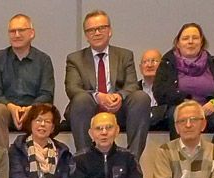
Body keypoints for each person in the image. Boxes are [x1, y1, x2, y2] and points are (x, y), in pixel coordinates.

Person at [64, 10, 151, 157]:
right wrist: (98, 96)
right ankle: (85, 159)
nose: (96, 33)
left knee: (141, 97)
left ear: (110, 31)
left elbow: (132, 85)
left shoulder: (125, 55)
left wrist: (119, 96)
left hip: (119, 110)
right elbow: (72, 88)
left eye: (101, 28)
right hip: (89, 108)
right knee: (80, 98)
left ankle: (132, 160)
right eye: (91, 30)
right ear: (86, 35)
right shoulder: (75, 59)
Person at [153, 23, 214, 154]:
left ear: (202, 42)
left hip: (208, 111)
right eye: (186, 38)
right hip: (181, 109)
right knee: (176, 113)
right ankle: (179, 161)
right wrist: (185, 103)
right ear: (178, 43)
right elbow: (159, 91)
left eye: (195, 38)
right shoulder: (167, 62)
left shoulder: (213, 62)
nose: (191, 42)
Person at [0, 13, 54, 147]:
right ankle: (1, 161)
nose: (16, 35)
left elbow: (47, 94)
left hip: (34, 110)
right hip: (6, 111)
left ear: (32, 33)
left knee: (45, 111)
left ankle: (42, 161)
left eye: (21, 30)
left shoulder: (43, 60)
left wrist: (30, 109)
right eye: (12, 31)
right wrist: (11, 107)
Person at [139, 49, 163, 123]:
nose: (149, 65)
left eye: (154, 61)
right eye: (145, 62)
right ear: (140, 68)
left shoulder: (169, 89)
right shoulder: (133, 90)